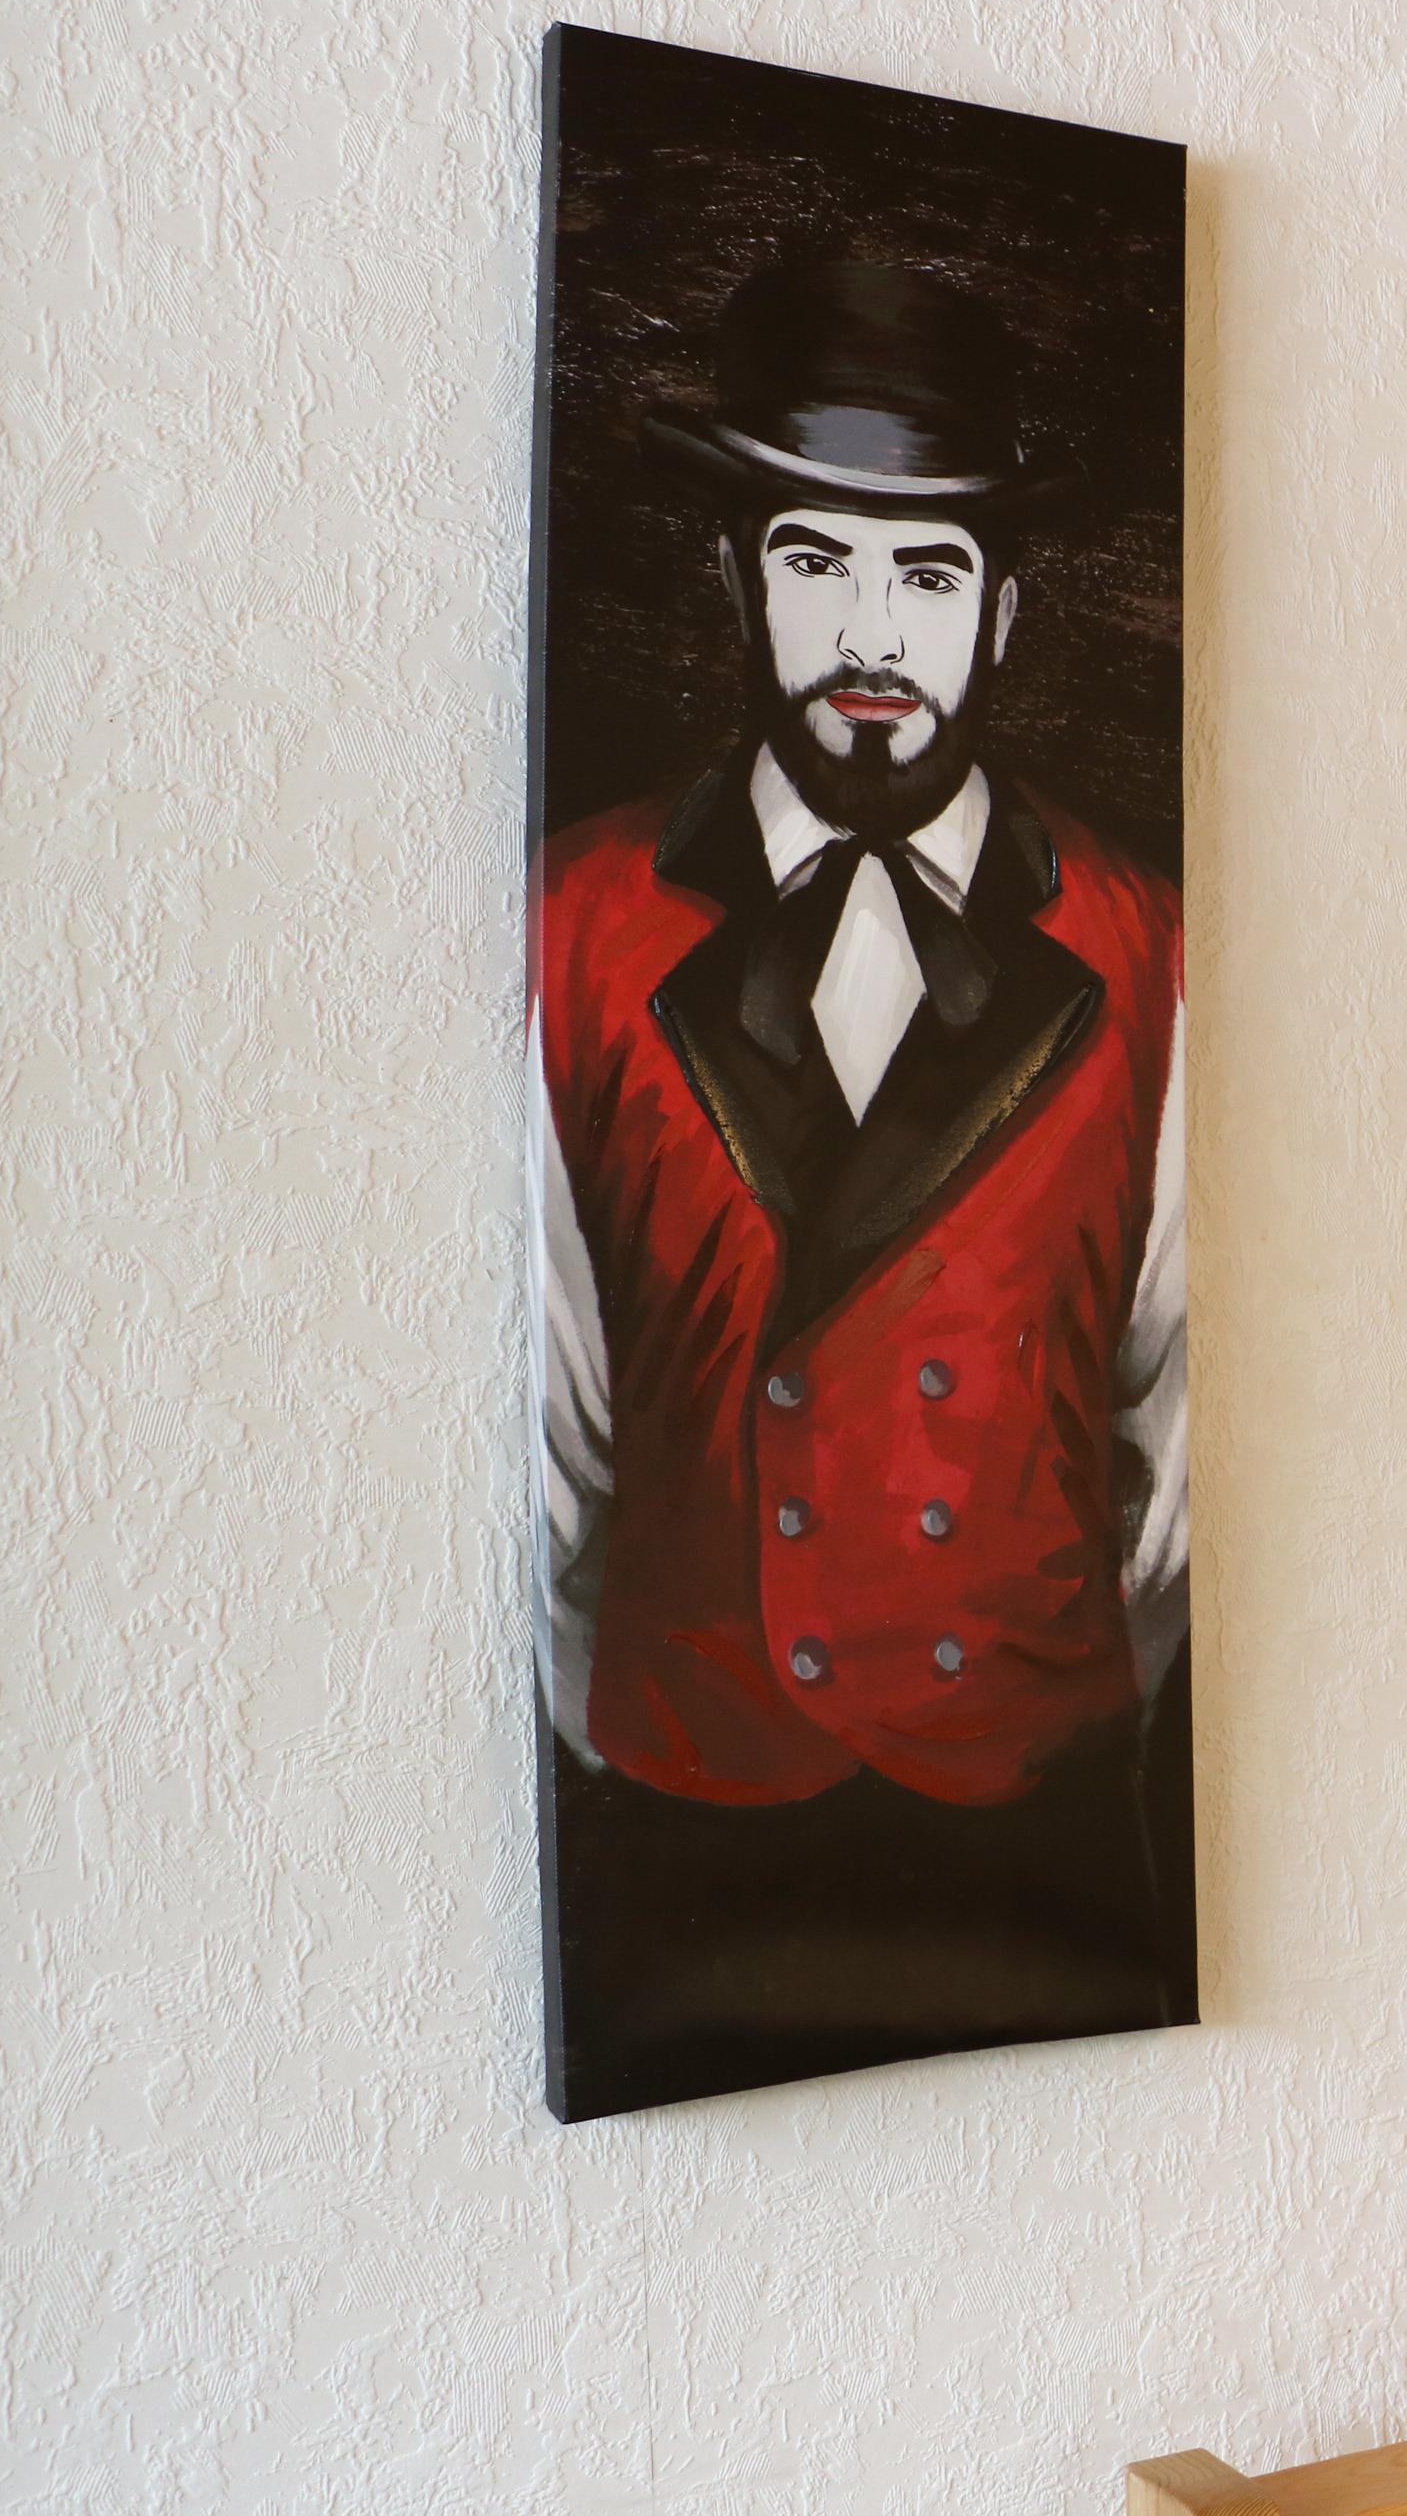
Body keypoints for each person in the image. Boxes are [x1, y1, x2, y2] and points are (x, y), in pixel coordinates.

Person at [532, 259, 1187, 2115]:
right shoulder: (572, 928)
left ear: (1006, 612)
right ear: (735, 580)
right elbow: (549, 1452)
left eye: (932, 573)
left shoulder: (1150, 947)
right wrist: (643, 1710)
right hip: (678, 1841)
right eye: (818, 561)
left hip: (1043, 1850)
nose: (873, 630)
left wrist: (1048, 1697)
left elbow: (1178, 1465)